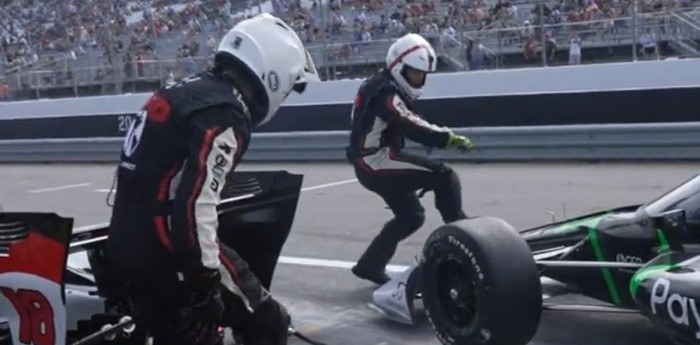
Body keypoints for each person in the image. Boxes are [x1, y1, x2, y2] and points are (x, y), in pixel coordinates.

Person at [106, 13, 319, 345]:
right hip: (165, 246)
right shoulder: (225, 113)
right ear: (273, 73)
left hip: (125, 241)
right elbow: (195, 205)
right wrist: (204, 281)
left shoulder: (184, 90)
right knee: (269, 321)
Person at [345, 33, 475, 285]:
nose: (419, 79)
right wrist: (446, 137)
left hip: (372, 161)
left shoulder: (381, 84)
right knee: (444, 176)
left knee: (411, 216)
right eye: (414, 73)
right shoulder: (385, 92)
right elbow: (409, 123)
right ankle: (466, 239)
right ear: (397, 65)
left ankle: (369, 265)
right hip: (375, 161)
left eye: (422, 75)